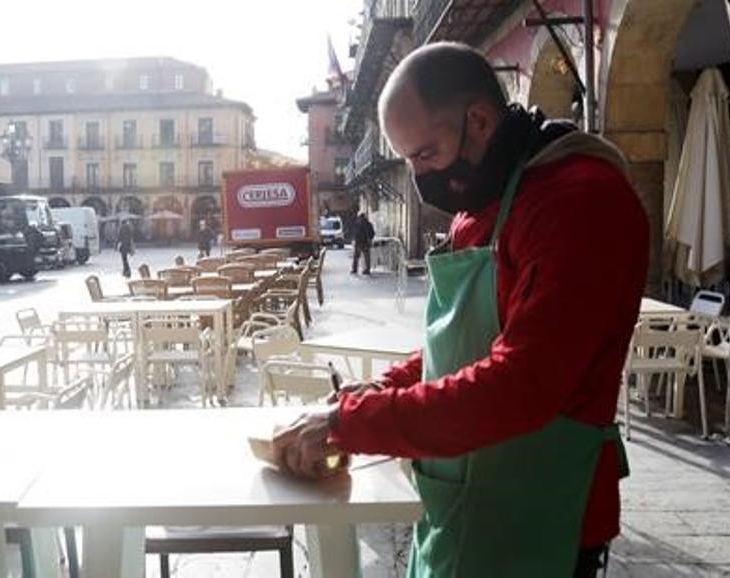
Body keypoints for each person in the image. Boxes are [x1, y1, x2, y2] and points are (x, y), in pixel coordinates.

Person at [271, 42, 648, 578]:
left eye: (426, 154)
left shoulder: (581, 201)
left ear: (479, 120)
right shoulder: (481, 208)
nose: (422, 179)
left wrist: (348, 422)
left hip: (542, 521)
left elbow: (523, 385)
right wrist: (385, 387)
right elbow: (461, 344)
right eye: (409, 161)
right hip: (459, 503)